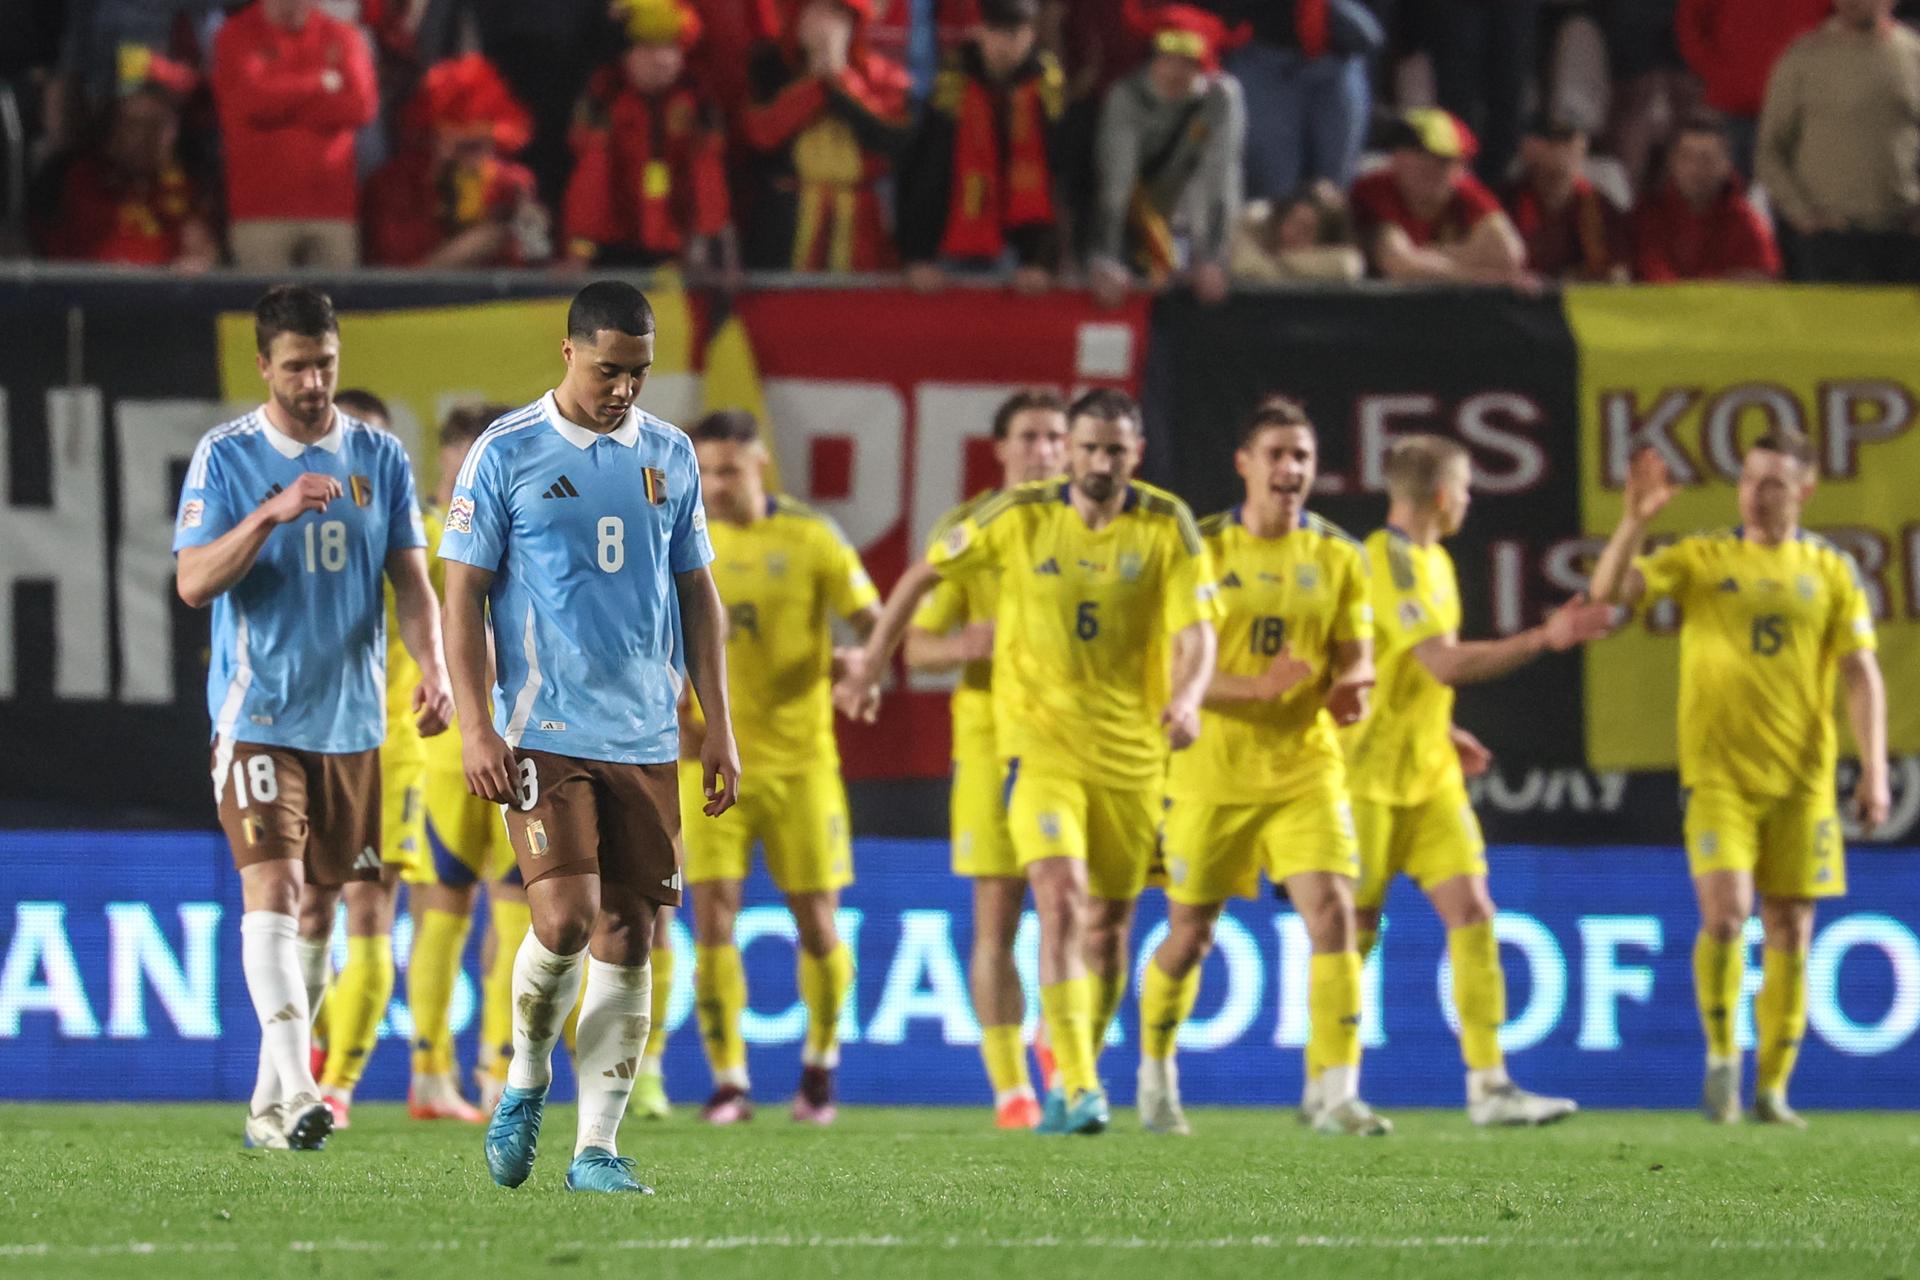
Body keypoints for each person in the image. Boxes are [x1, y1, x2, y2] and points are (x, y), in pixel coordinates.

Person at [837, 388, 1219, 1137]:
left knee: (1107, 926)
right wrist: (871, 664)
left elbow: (1198, 630)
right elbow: (920, 584)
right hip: (1028, 745)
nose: (1091, 460)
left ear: (1133, 453)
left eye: (1112, 449)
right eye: (1079, 445)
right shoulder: (1006, 520)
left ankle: (1070, 1050)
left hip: (1134, 754)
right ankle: (1058, 1087)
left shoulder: (1167, 523)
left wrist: (1188, 698)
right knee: (1051, 900)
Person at [442, 281, 738, 1194]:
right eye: (610, 370)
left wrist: (717, 726)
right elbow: (463, 595)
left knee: (631, 932)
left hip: (646, 731)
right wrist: (477, 723)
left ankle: (596, 1150)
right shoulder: (507, 451)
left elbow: (697, 595)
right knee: (563, 920)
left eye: (640, 373)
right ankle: (523, 1080)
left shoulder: (671, 454)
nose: (625, 390)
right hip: (543, 727)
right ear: (569, 353)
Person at [173, 285, 452, 1152]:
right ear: (265, 367)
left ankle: (267, 1107)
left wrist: (436, 667)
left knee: (323, 913)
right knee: (277, 890)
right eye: (295, 366)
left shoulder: (381, 456)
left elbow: (410, 580)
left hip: (353, 725)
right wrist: (269, 512)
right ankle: (300, 1092)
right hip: (259, 714)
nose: (313, 381)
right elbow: (192, 582)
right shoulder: (225, 458)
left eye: (324, 363)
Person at [1588, 437, 1888, 1127]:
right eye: (1750, 480)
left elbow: (1859, 673)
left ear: (1804, 491)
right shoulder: (1703, 557)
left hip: (1803, 781)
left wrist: (1873, 770)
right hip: (1719, 774)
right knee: (1727, 915)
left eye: (1774, 483)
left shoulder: (1830, 570)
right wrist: (1634, 519)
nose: (1757, 493)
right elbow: (1608, 595)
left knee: (1792, 926)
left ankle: (1774, 1089)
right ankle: (1723, 1061)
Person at [1341, 434, 1611, 1126]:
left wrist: (1442, 724)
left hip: (1429, 775)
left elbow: (1415, 675)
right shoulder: (1388, 560)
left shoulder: (1435, 562)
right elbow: (1441, 661)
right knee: (1351, 932)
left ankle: (1488, 1085)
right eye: (1463, 489)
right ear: (1439, 496)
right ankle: (1331, 1087)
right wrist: (1543, 639)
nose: (1467, 501)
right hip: (1367, 776)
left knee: (1475, 913)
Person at [1138, 398, 1384, 1137]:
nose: (1291, 469)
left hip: (1304, 768)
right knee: (1190, 936)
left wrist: (1353, 688)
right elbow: (1170, 676)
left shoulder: (1340, 555)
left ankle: (1336, 1094)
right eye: (1276, 454)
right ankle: (1154, 1074)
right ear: (1244, 463)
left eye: (1302, 456)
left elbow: (1357, 653)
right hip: (1210, 770)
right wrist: (1257, 688)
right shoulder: (1202, 550)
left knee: (1336, 913)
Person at [680, 409, 880, 1126]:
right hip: (704, 761)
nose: (715, 484)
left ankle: (820, 1070)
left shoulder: (811, 537)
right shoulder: (679, 539)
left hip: (800, 765)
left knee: (819, 923)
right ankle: (730, 1081)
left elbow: (871, 618)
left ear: (760, 463)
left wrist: (865, 663)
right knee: (712, 920)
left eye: (728, 469)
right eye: (703, 471)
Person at [904, 390, 1069, 1129]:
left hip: (1076, 743)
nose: (1044, 450)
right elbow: (916, 646)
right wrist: (966, 644)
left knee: (1079, 906)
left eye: (1055, 437)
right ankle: (1011, 1089)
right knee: (998, 918)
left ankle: (1061, 1038)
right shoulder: (966, 531)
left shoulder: (1093, 525)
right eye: (1030, 436)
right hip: (988, 743)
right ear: (1000, 449)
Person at [397, 401, 526, 1123]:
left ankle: (497, 1075)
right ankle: (430, 1072)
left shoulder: (521, 533)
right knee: (442, 915)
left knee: (514, 923)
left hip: (518, 747)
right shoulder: (412, 536)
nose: (468, 478)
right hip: (439, 753)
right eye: (458, 465)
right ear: (441, 466)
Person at [898, 0, 1067, 293]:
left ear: (1031, 33)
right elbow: (926, 172)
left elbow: (1056, 179)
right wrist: (918, 256)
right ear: (980, 31)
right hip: (948, 251)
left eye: (1016, 31)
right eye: (997, 30)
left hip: (1019, 262)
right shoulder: (950, 86)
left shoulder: (1046, 91)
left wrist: (1041, 260)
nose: (1006, 41)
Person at [561, 0, 737, 275]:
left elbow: (708, 177)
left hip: (678, 252)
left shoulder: (696, 101)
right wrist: (581, 249)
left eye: (671, 48)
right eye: (650, 48)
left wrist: (710, 245)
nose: (663, 60)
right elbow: (591, 178)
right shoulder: (606, 96)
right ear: (627, 53)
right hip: (612, 248)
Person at [1088, 3, 1246, 306]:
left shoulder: (1220, 99)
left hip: (1187, 222)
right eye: (1168, 59)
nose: (1176, 72)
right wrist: (1106, 257)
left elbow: (1221, 179)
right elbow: (1115, 186)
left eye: (1188, 63)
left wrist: (1214, 258)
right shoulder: (1126, 97)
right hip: (1134, 220)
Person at [740, 0, 914, 272]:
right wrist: (816, 85)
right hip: (785, 224)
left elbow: (893, 144)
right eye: (819, 10)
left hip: (861, 229)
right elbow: (760, 137)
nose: (828, 25)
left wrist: (839, 78)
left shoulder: (882, 77)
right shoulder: (770, 68)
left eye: (838, 14)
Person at [1756, 0, 1920, 282]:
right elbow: (1770, 150)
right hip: (1825, 239)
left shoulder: (1911, 54)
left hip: (1902, 234)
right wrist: (1803, 216)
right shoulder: (1804, 57)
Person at [211, 0, 377, 269]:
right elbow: (250, 101)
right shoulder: (235, 35)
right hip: (260, 211)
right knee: (268, 306)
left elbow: (361, 106)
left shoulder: (342, 36)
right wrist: (321, 82)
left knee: (334, 307)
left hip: (332, 210)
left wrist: (280, 103)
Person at [362, 55, 548, 269]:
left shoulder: (512, 183)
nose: (475, 158)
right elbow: (395, 281)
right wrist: (469, 247)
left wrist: (531, 236)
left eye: (482, 144)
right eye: (463, 146)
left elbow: (533, 267)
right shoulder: (394, 185)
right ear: (430, 139)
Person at [38, 84, 218, 271]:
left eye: (159, 124)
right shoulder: (80, 178)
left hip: (173, 293)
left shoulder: (192, 186)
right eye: (135, 124)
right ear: (111, 132)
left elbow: (203, 251)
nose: (148, 136)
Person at [1349, 109, 1527, 285]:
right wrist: (1484, 275)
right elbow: (1400, 264)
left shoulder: (1466, 189)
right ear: (1398, 156)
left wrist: (1425, 256)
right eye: (1422, 155)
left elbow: (1510, 255)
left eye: (1445, 160)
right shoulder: (1374, 189)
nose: (1433, 168)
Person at [1631, 113, 1781, 282]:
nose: (1696, 168)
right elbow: (1651, 274)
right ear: (1672, 161)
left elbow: (1762, 280)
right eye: (1687, 157)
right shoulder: (1648, 216)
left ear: (1727, 165)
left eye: (1707, 159)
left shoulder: (1746, 223)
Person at [1502, 114, 1629, 283]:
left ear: (1581, 149)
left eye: (1568, 145)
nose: (1560, 153)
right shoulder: (1508, 200)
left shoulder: (1597, 205)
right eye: (1551, 144)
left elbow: (1616, 269)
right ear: (1530, 149)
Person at [1226, 180, 1364, 283]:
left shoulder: (1335, 260)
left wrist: (1280, 261)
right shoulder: (1252, 224)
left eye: (1305, 230)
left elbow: (1347, 265)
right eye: (1289, 219)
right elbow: (1241, 265)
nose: (1288, 231)